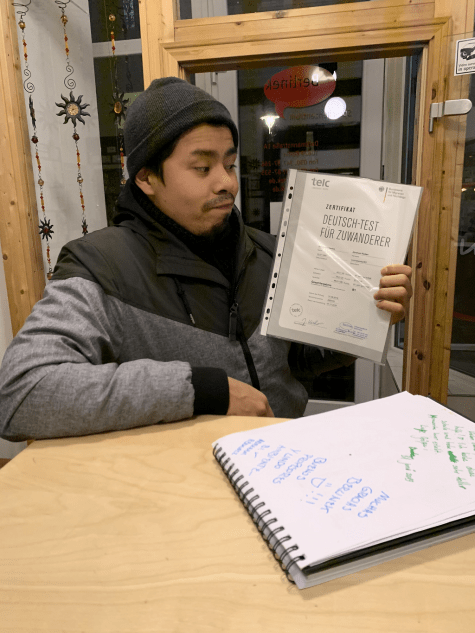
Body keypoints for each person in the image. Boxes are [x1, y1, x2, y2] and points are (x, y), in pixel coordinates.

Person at [0, 77, 412, 441]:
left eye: (229, 164)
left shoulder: (268, 252)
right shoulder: (99, 267)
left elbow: (290, 363)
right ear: (146, 177)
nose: (226, 182)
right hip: (184, 486)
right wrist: (202, 390)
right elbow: (21, 392)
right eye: (202, 167)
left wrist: (365, 319)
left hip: (282, 465)